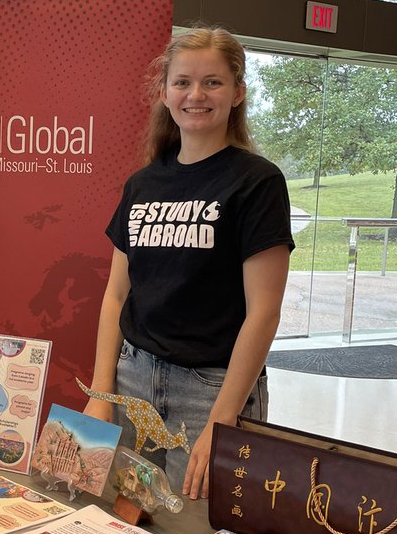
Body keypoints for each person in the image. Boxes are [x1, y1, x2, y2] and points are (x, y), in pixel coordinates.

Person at [84, 26, 293, 501]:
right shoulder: (142, 184)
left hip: (211, 390)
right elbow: (117, 294)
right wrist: (101, 393)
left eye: (213, 82)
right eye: (182, 82)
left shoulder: (257, 183)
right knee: (126, 528)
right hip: (132, 380)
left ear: (238, 93)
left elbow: (265, 312)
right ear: (164, 92)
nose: (195, 95)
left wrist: (224, 416)